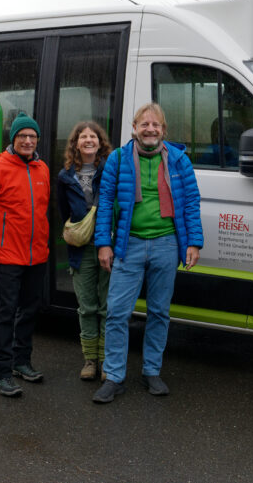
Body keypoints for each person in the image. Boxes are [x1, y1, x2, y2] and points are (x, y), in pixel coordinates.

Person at [92, 103, 203, 404]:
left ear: (164, 130)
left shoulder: (179, 160)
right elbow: (104, 205)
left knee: (158, 313)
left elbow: (191, 203)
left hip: (167, 244)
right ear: (135, 128)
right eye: (145, 124)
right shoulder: (117, 159)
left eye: (156, 125)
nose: (150, 129)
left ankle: (151, 371)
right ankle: (114, 376)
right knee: (116, 313)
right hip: (130, 245)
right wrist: (104, 243)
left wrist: (193, 242)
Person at [0, 112, 50, 397]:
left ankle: (21, 362)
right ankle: (1, 371)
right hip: (7, 256)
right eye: (22, 136)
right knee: (5, 313)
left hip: (36, 256)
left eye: (32, 136)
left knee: (29, 310)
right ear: (13, 140)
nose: (27, 141)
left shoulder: (42, 169)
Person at [57, 121, 112, 380]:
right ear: (76, 143)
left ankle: (106, 360)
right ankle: (90, 361)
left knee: (107, 307)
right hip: (81, 251)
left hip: (108, 248)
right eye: (83, 137)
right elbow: (62, 211)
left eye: (93, 136)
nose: (88, 140)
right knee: (87, 307)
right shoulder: (65, 175)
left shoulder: (112, 169)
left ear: (100, 142)